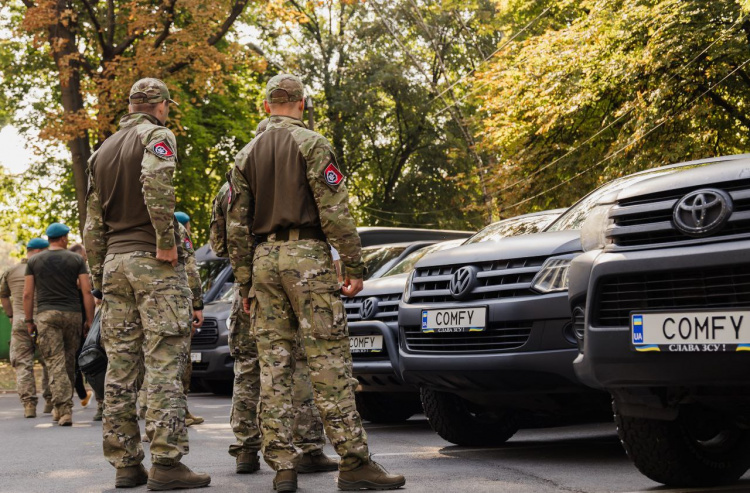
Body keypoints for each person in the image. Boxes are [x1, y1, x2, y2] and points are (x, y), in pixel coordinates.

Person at [226, 73, 405, 492]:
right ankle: (354, 461)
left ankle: (283, 468)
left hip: (264, 261)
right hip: (307, 259)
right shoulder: (312, 143)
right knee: (328, 362)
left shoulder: (245, 153)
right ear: (301, 104)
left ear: (266, 106)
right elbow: (335, 211)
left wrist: (244, 280)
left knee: (274, 366)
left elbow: (236, 226)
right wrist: (355, 266)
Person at [83, 77, 210, 490]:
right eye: (167, 107)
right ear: (160, 106)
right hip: (151, 263)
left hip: (115, 264)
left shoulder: (101, 150)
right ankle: (168, 464)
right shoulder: (157, 136)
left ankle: (126, 464)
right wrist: (165, 241)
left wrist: (100, 271)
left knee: (120, 366)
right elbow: (157, 184)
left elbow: (91, 222)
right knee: (163, 362)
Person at [210, 174, 337, 476]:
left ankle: (246, 448)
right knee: (297, 363)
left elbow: (218, 244)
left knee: (247, 365)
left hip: (247, 285)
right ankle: (307, 447)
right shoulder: (282, 181)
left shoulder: (227, 189)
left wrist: (243, 273)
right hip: (287, 276)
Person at [23, 223, 95, 427]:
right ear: (63, 239)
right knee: (68, 362)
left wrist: (29, 321)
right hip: (72, 314)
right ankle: (60, 408)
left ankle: (63, 409)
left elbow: (28, 294)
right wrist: (89, 320)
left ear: (49, 239)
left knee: (55, 362)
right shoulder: (76, 259)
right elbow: (86, 292)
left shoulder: (34, 260)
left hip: (46, 315)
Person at [0, 238, 52, 418]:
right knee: (50, 361)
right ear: (38, 252)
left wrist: (12, 316)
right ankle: (50, 401)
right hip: (43, 320)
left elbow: (3, 296)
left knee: (22, 364)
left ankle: (29, 405)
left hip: (20, 322)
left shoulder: (11, 271)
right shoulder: (47, 270)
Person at [68, 244, 95, 410]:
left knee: (72, 358)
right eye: (84, 255)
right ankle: (83, 393)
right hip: (79, 318)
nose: (86, 258)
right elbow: (86, 291)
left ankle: (81, 394)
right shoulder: (78, 269)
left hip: (76, 317)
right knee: (81, 357)